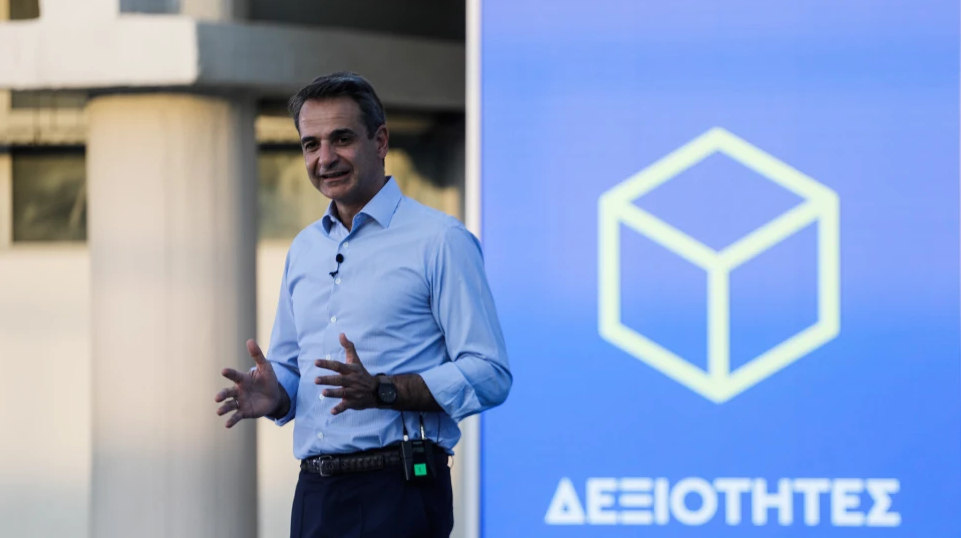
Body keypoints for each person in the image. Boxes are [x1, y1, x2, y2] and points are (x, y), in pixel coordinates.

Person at [213, 72, 512, 538]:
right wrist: (277, 395)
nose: (325, 158)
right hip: (314, 493)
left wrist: (384, 390)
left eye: (342, 139)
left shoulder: (441, 240)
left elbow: (490, 374)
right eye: (311, 144)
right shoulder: (304, 249)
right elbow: (291, 368)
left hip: (399, 489)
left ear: (381, 141)